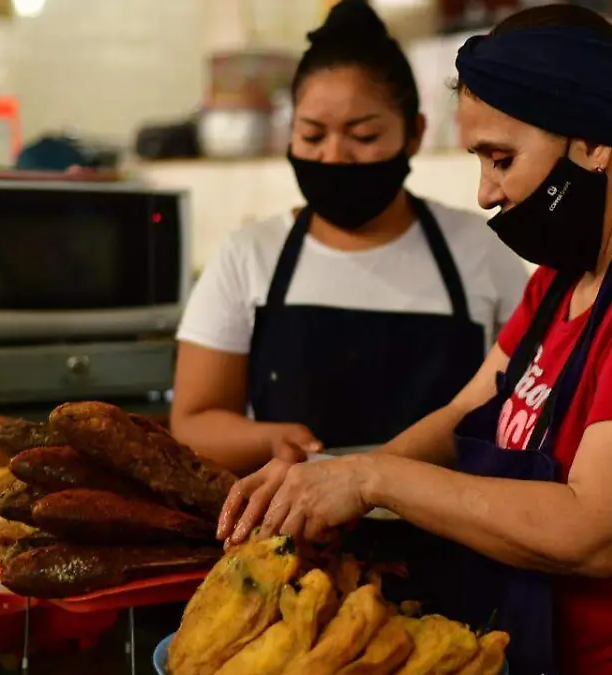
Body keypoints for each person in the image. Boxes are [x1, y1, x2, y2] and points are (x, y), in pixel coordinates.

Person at [219, 4, 612, 675]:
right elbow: (465, 413)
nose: (485, 193)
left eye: (501, 159)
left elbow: (596, 530)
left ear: (593, 142)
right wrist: (329, 487)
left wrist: (372, 478)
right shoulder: (565, 279)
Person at [171, 0, 529, 475]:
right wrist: (269, 440)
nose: (335, 156)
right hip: (290, 517)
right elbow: (194, 421)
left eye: (363, 136)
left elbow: (526, 407)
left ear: (414, 134)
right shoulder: (249, 256)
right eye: (312, 136)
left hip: (448, 515)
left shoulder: (480, 251)